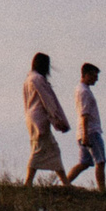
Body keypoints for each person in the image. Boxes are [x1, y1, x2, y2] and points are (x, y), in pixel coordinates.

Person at [23, 52, 72, 186]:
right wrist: (57, 118)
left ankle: (65, 182)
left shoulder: (29, 79)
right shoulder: (38, 79)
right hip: (40, 117)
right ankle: (28, 182)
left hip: (31, 117)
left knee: (52, 148)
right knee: (40, 148)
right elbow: (48, 100)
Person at [65, 62, 106, 191]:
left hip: (83, 131)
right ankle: (102, 190)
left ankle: (65, 183)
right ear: (87, 75)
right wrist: (86, 135)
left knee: (84, 163)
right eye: (94, 76)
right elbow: (85, 114)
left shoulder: (81, 90)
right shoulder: (84, 92)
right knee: (100, 161)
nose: (97, 79)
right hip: (90, 131)